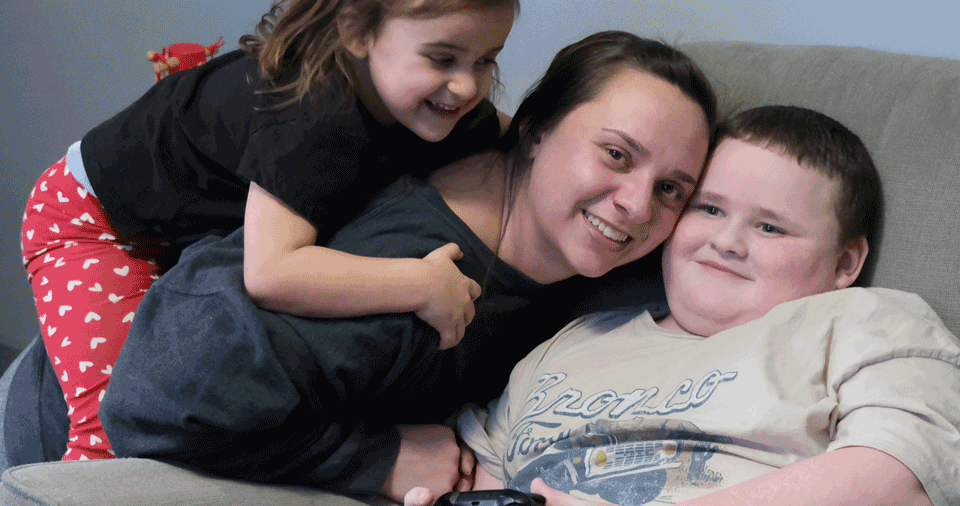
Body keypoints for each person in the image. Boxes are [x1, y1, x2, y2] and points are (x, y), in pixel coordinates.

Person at [91, 31, 717, 503]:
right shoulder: (418, 286)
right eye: (615, 154)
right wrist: (375, 459)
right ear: (537, 130)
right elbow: (160, 398)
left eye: (672, 189)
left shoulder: (579, 244)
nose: (637, 205)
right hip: (100, 370)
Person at [19, 0, 517, 461]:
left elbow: (518, 134)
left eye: (486, 60)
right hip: (90, 221)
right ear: (357, 30)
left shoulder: (439, 105)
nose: (468, 87)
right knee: (117, 427)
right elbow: (272, 272)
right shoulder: (312, 115)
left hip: (186, 227)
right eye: (441, 58)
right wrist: (421, 283)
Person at [445, 106, 960, 506]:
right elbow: (483, 475)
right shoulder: (571, 344)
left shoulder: (869, 323)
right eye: (708, 208)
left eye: (769, 226)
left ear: (845, 263)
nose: (727, 241)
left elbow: (901, 476)